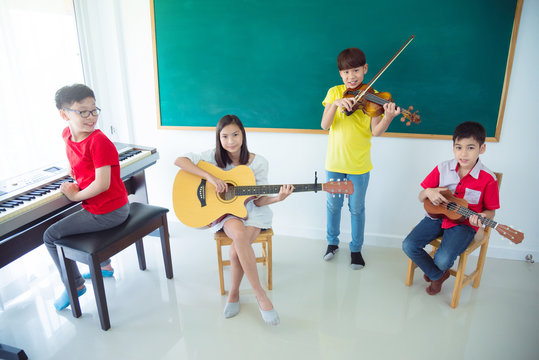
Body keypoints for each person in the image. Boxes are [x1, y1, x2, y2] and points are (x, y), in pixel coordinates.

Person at [174, 114, 293, 325]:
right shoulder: (212, 157)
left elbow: (258, 201)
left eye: (235, 135)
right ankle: (261, 295)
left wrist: (278, 198)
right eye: (225, 136)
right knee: (238, 235)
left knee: (235, 249)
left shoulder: (259, 163)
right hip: (226, 212)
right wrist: (211, 177)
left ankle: (234, 292)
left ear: (243, 135)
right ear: (218, 139)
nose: (231, 141)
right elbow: (179, 160)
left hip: (253, 213)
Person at [44, 84, 129, 310]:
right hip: (101, 206)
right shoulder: (67, 135)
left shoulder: (99, 141)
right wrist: (75, 172)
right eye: (83, 112)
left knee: (50, 235)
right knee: (77, 216)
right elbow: (75, 156)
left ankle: (75, 285)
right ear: (64, 115)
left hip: (111, 211)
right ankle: (105, 266)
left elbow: (103, 184)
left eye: (94, 110)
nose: (91, 117)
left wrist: (75, 196)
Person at [321, 47, 401, 269]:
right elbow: (324, 124)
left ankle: (356, 249)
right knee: (333, 206)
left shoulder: (375, 99)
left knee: (356, 209)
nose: (351, 77)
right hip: (335, 163)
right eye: (346, 72)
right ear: (340, 74)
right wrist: (335, 105)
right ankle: (332, 243)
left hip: (359, 165)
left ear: (365, 69)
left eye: (355, 70)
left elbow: (376, 132)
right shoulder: (335, 93)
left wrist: (389, 117)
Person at [402, 121, 500, 295]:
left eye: (470, 148)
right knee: (408, 245)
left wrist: (481, 216)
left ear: (482, 148)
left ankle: (436, 270)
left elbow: (491, 211)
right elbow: (420, 197)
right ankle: (437, 275)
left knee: (443, 259)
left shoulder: (488, 178)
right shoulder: (443, 168)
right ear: (453, 148)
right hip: (436, 217)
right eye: (458, 147)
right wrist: (429, 192)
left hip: (464, 225)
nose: (463, 153)